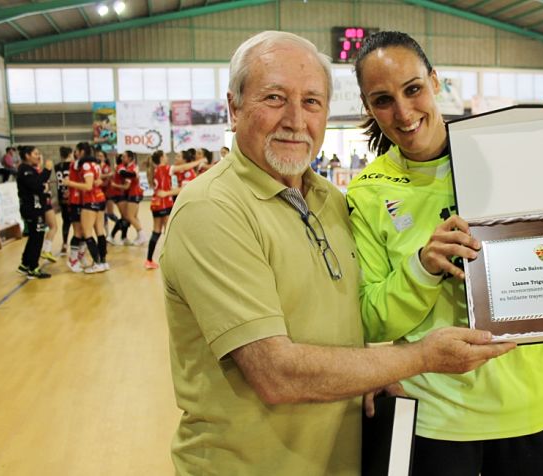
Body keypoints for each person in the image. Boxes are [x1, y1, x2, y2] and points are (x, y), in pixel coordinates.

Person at [159, 31, 515, 476]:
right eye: (274, 98)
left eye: (312, 101)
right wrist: (419, 357)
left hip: (337, 459)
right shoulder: (212, 208)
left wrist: (373, 371)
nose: (294, 119)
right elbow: (276, 373)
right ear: (233, 107)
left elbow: (341, 314)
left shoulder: (328, 198)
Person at [346, 31, 543, 476]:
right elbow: (369, 317)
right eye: (382, 99)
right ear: (367, 106)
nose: (402, 112)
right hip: (434, 420)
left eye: (413, 89)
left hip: (531, 409)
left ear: (435, 82)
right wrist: (422, 268)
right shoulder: (366, 193)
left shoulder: (508, 150)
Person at [143, 150, 203, 270]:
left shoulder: (156, 170)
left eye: (178, 156)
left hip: (156, 202)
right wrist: (199, 161)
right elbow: (184, 167)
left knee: (157, 231)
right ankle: (171, 261)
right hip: (164, 203)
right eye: (165, 155)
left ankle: (149, 260)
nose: (169, 157)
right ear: (161, 158)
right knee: (169, 233)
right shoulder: (164, 168)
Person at [64, 142, 108, 273]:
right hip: (92, 199)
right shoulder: (92, 163)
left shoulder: (84, 164)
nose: (74, 153)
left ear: (82, 152)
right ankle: (99, 261)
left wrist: (69, 183)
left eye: (76, 151)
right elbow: (98, 180)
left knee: (86, 232)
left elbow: (89, 185)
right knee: (93, 231)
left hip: (88, 200)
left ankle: (93, 262)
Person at [16, 146, 53, 279]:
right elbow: (37, 185)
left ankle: (25, 264)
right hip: (32, 209)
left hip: (34, 208)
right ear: (27, 155)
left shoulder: (29, 169)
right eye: (36, 153)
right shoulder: (25, 170)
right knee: (37, 238)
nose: (38, 156)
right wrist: (47, 170)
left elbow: (39, 185)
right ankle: (33, 268)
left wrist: (43, 185)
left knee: (34, 237)